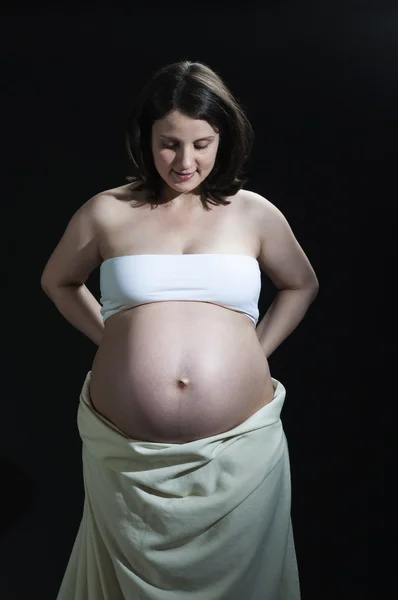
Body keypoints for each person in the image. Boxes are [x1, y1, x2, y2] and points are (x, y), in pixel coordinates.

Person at [41, 60, 319, 600]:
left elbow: (301, 284)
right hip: (129, 458)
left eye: (202, 143)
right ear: (145, 138)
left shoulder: (253, 213)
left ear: (225, 139)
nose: (185, 161)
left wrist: (254, 352)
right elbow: (58, 281)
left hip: (239, 453)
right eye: (169, 143)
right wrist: (114, 342)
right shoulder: (107, 211)